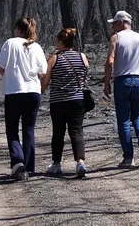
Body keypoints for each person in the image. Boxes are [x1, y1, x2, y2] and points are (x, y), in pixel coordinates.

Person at [102, 10, 139, 168]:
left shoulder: (116, 38)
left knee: (124, 120)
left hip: (123, 81)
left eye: (114, 24)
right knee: (138, 116)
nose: (113, 27)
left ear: (120, 23)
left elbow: (110, 62)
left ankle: (128, 158)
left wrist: (107, 83)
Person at [0, 16, 47, 180]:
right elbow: (43, 72)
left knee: (12, 129)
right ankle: (29, 166)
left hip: (14, 91)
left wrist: (11, 75)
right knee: (29, 129)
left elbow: (0, 68)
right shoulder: (37, 47)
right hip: (33, 92)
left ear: (18, 29)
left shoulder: (10, 43)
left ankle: (18, 162)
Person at [41, 27, 90, 179]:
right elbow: (85, 75)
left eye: (57, 41)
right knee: (76, 131)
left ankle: (56, 164)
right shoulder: (82, 57)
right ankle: (80, 162)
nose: (56, 44)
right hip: (77, 100)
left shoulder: (54, 58)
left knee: (58, 132)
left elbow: (46, 81)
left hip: (58, 101)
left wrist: (41, 89)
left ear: (61, 42)